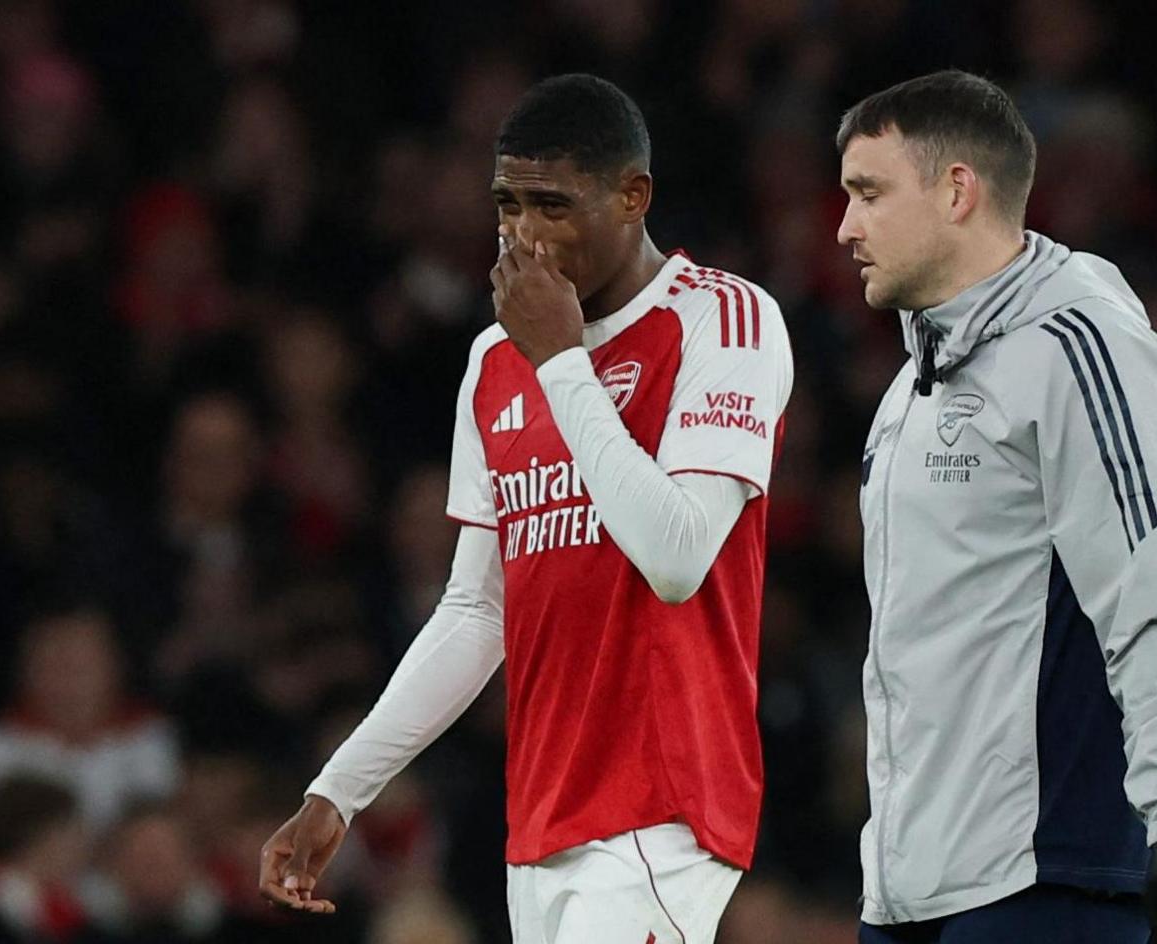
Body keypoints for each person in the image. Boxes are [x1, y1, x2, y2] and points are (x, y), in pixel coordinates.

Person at [258, 73, 793, 944]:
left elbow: (678, 557)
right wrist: (339, 791)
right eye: (507, 204)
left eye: (553, 205)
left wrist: (560, 363)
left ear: (633, 196)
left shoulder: (722, 319)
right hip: (541, 820)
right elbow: (477, 610)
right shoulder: (493, 361)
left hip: (658, 810)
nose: (523, 234)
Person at [834, 70, 1157, 943]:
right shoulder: (912, 388)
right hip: (910, 891)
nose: (845, 227)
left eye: (869, 194)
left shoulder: (1086, 354)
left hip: (1050, 876)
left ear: (956, 191)